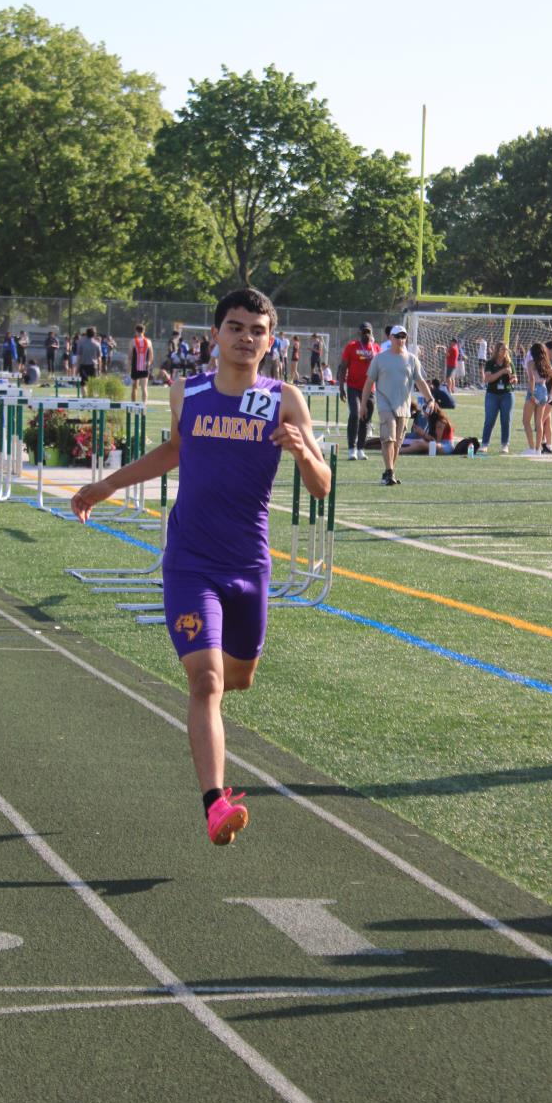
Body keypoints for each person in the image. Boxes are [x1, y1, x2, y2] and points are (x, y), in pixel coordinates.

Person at [70, 287, 331, 846]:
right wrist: (107, 484)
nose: (245, 339)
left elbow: (322, 485)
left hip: (249, 565)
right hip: (190, 561)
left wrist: (301, 451)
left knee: (238, 678)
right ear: (215, 335)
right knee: (206, 680)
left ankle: (206, 727)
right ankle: (215, 802)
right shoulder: (186, 392)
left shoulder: (284, 399)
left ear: (271, 341)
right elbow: (175, 450)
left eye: (257, 331)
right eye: (235, 327)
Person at [362, 324, 436, 485]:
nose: (401, 340)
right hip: (385, 404)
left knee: (397, 443)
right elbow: (369, 382)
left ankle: (390, 472)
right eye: (397, 336)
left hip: (403, 406)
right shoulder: (379, 358)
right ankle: (389, 471)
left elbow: (420, 382)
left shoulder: (412, 359)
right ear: (391, 338)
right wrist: (363, 405)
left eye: (403, 337)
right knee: (388, 438)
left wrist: (430, 399)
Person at [337, 322, 380, 462]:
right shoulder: (351, 346)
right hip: (353, 387)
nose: (366, 334)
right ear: (359, 333)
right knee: (355, 414)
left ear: (372, 333)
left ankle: (361, 449)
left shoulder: (376, 348)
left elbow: (381, 368)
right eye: (364, 331)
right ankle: (352, 448)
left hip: (370, 388)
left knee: (366, 419)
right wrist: (341, 387)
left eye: (368, 332)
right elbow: (343, 367)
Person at [521, 342, 552, 456]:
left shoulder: (531, 363)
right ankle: (538, 450)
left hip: (535, 390)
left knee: (526, 421)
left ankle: (531, 448)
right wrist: (551, 394)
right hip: (544, 390)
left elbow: (532, 379)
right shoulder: (546, 364)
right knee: (539, 422)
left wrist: (532, 394)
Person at [478, 342, 515, 452]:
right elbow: (487, 379)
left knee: (506, 420)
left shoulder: (509, 363)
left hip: (507, 394)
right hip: (492, 394)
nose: (505, 351)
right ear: (497, 350)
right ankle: (485, 444)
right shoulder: (490, 363)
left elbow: (515, 378)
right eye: (503, 349)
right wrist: (502, 371)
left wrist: (513, 379)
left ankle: (505, 444)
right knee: (489, 420)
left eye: (506, 349)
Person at [130, 324, 153, 404]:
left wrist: (129, 367)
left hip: (135, 367)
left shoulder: (133, 341)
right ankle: (144, 406)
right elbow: (151, 356)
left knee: (134, 387)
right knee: (144, 388)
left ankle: (133, 405)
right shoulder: (149, 341)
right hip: (144, 367)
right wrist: (149, 363)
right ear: (144, 331)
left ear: (136, 331)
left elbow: (130, 356)